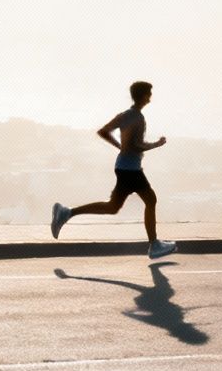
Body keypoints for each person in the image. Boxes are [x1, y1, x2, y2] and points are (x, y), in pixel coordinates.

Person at [51, 81, 177, 257]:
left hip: (122, 166)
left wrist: (120, 146)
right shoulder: (139, 118)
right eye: (149, 93)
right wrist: (156, 144)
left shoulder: (124, 115)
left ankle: (67, 213)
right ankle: (154, 245)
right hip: (131, 169)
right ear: (142, 96)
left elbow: (103, 132)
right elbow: (135, 145)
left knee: (113, 207)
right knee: (150, 199)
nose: (150, 97)